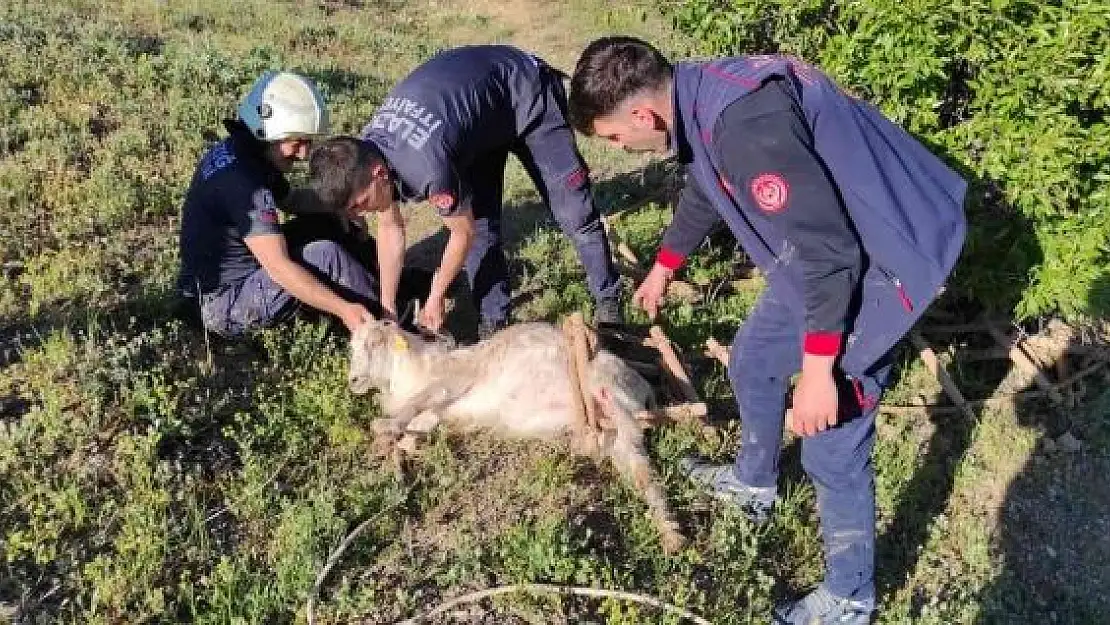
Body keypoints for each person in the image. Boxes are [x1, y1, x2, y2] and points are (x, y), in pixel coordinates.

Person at [568, 37, 967, 623]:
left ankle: (850, 597)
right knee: (753, 361)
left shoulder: (745, 125)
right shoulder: (698, 97)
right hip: (822, 256)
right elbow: (708, 184)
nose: (621, 148)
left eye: (613, 138)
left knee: (831, 435)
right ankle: (754, 485)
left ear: (640, 115)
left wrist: (819, 372)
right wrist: (665, 264)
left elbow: (831, 254)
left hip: (885, 259)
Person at [307, 45, 622, 339]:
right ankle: (495, 325)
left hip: (526, 92)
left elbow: (461, 234)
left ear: (379, 174)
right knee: (484, 229)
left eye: (360, 204)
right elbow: (390, 227)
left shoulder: (426, 167)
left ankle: (609, 304)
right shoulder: (367, 152)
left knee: (574, 213)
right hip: (477, 124)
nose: (360, 214)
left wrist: (435, 294)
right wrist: (387, 309)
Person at [176, 71, 387, 337]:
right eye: (297, 143)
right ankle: (388, 327)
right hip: (219, 305)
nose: (303, 154)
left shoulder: (246, 152)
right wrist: (342, 308)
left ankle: (390, 282)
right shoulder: (244, 184)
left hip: (231, 278)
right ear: (270, 132)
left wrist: (342, 205)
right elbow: (279, 267)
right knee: (325, 256)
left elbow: (292, 201)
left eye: (307, 142)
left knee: (328, 220)